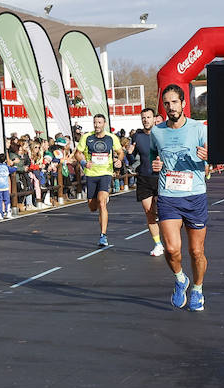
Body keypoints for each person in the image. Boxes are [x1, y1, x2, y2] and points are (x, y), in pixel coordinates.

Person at [150, 85, 210, 312]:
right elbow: (152, 158)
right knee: (172, 250)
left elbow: (213, 155)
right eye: (167, 103)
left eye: (174, 102)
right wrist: (155, 165)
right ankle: (179, 278)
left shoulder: (199, 128)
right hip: (168, 196)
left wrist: (209, 156)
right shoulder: (157, 131)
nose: (171, 107)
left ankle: (197, 289)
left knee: (196, 252)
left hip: (194, 195)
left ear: (184, 103)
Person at [75, 113, 122, 248]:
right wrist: (83, 162)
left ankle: (103, 235)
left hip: (106, 173)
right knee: (92, 207)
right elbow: (77, 153)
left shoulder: (112, 138)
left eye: (100, 123)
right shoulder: (86, 137)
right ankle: (100, 199)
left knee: (102, 203)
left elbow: (120, 152)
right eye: (95, 122)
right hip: (91, 174)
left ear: (104, 124)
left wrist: (119, 160)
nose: (97, 125)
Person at [126, 108, 164, 256]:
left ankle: (169, 239)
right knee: (149, 212)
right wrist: (129, 154)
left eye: (148, 117)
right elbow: (131, 159)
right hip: (144, 178)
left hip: (161, 178)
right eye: (143, 118)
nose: (146, 120)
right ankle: (158, 244)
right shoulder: (137, 136)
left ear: (154, 119)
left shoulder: (161, 133)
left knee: (163, 212)